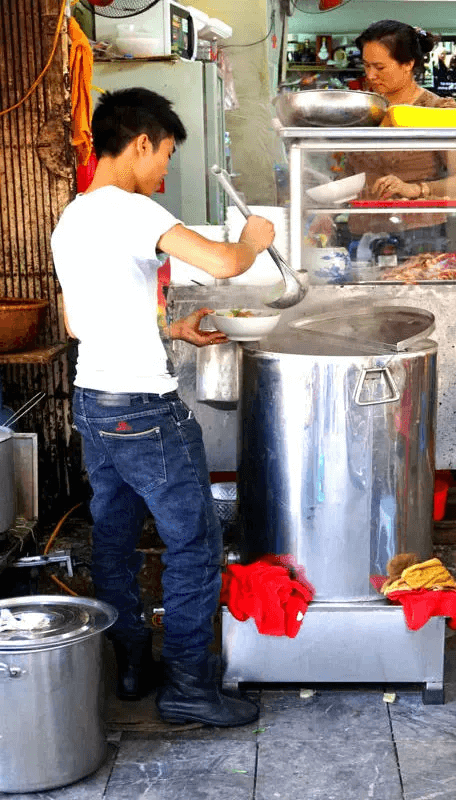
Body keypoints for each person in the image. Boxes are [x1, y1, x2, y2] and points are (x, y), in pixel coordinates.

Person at [51, 88, 275, 727]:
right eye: (167, 154)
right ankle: (189, 688)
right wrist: (253, 236)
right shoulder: (132, 211)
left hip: (93, 400)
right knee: (195, 545)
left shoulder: (72, 218)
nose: (165, 171)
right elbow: (226, 263)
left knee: (116, 539)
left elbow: (78, 323)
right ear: (141, 141)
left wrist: (171, 334)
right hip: (147, 409)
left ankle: (129, 666)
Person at [344, 20, 456, 257]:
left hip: (420, 237)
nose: (370, 75)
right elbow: (348, 174)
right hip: (361, 235)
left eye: (379, 67)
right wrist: (323, 210)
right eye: (366, 66)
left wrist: (415, 189)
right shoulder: (363, 109)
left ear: (408, 64)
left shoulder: (437, 110)